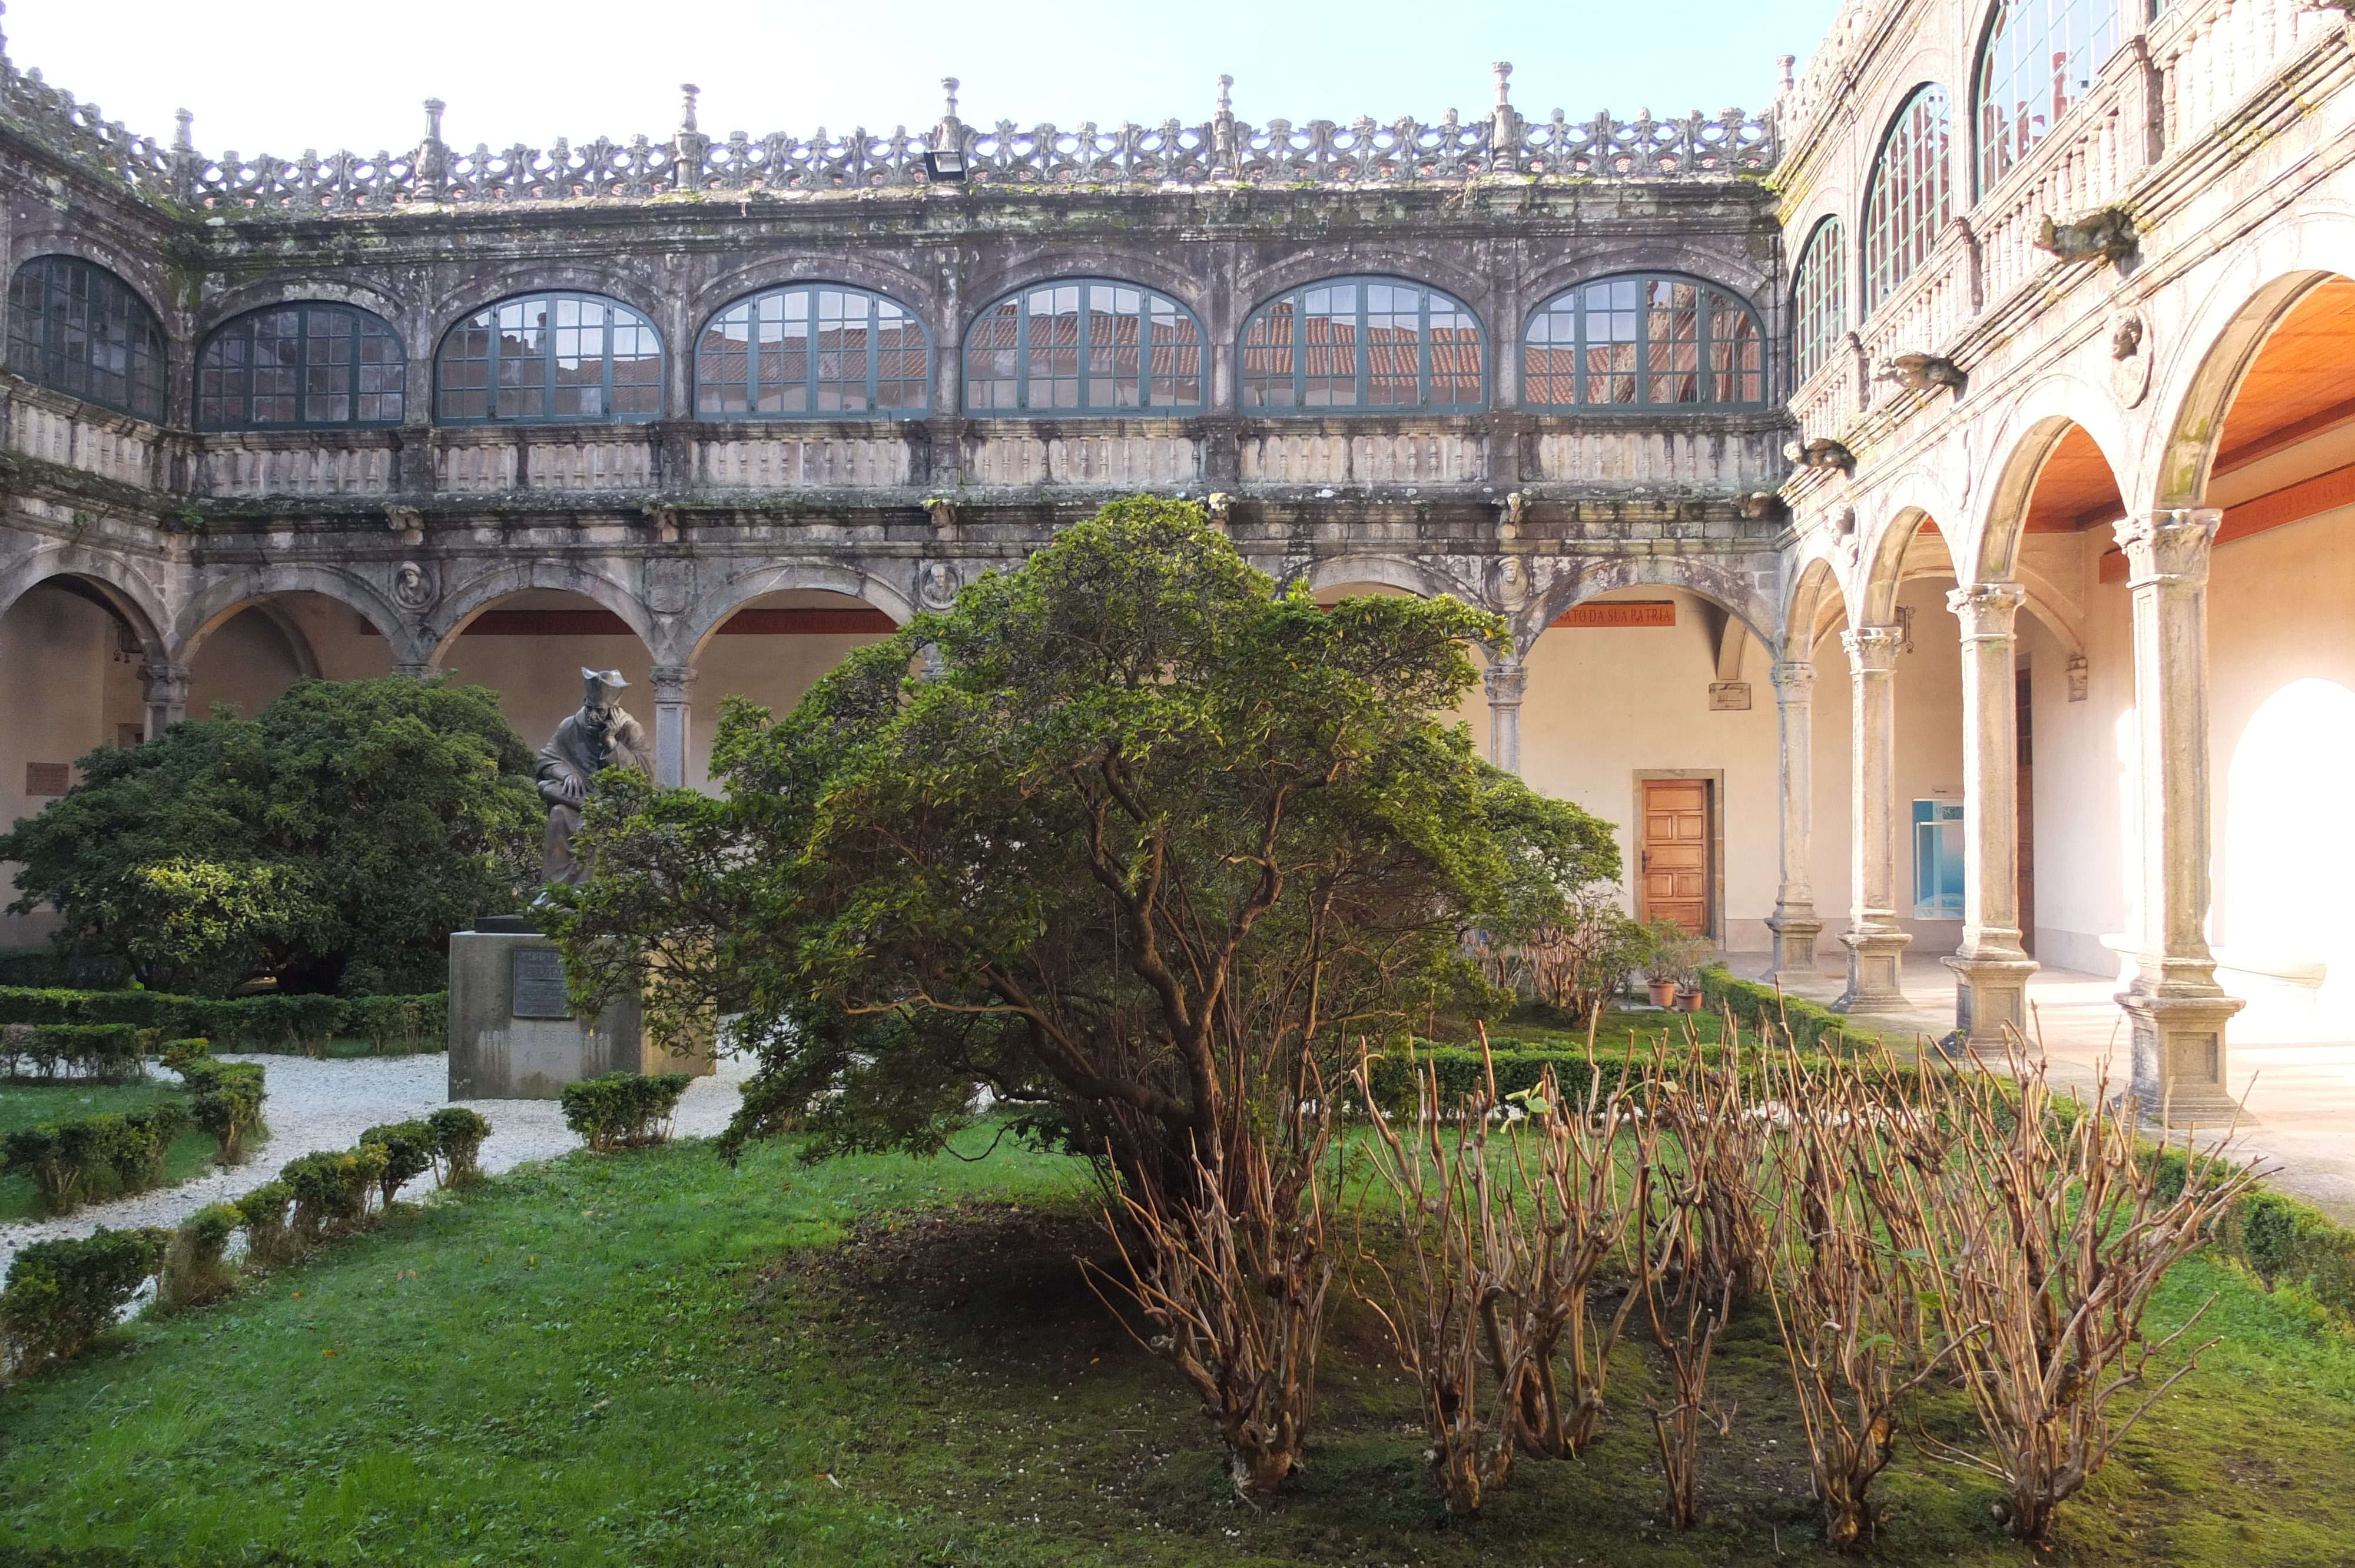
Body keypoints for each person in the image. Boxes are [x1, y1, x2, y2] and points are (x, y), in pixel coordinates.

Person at [535, 668, 652, 886]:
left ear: (613, 710)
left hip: (615, 804)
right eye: (589, 708)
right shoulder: (570, 726)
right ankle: (554, 889)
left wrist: (611, 743)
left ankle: (591, 890)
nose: (592, 716)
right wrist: (567, 773)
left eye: (599, 711)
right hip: (578, 799)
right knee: (559, 813)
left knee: (596, 821)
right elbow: (547, 760)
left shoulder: (630, 729)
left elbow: (644, 775)